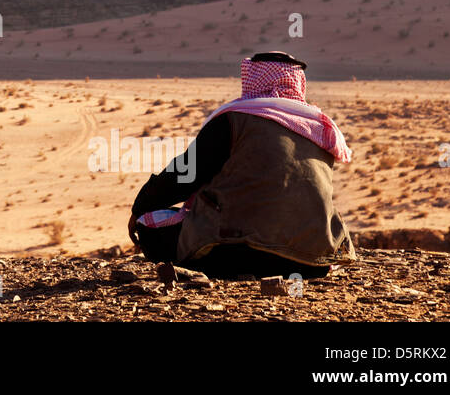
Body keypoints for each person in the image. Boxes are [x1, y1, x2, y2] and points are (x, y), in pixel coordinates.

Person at [127, 51, 356, 278]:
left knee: (151, 229)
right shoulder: (321, 128)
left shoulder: (234, 119)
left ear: (253, 79)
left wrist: (141, 207)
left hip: (238, 253)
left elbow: (185, 175)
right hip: (312, 260)